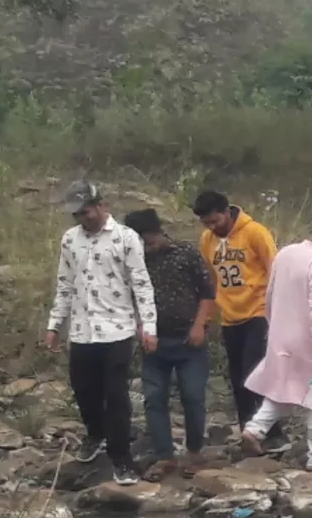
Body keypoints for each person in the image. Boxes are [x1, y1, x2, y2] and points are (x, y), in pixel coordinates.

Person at [43, 183, 155, 483]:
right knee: (84, 390)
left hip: (117, 329)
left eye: (87, 211)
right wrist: (55, 324)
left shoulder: (126, 238)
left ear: (102, 205)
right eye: (77, 214)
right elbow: (65, 284)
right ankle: (95, 434)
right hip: (82, 330)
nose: (83, 218)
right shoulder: (70, 240)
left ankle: (121, 458)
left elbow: (141, 285)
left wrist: (149, 327)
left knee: (116, 395)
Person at [241, 217, 312, 467]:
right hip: (310, 342)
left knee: (283, 388)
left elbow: (270, 294)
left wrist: (274, 327)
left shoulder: (286, 253)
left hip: (282, 336)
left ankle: (255, 428)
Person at [126, 209, 217, 467]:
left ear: (159, 231)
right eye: (141, 238)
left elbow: (208, 292)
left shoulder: (186, 253)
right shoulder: (134, 261)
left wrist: (200, 325)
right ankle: (164, 455)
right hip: (154, 342)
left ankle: (195, 450)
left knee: (193, 395)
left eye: (150, 235)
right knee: (154, 398)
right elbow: (129, 297)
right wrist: (141, 327)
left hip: (189, 340)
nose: (147, 242)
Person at [193, 189, 276, 436]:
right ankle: (247, 430)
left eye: (215, 221)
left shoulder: (255, 232)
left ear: (226, 212)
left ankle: (270, 432)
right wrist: (207, 317)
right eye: (206, 223)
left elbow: (275, 269)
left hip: (258, 311)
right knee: (238, 378)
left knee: (255, 373)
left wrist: (278, 311)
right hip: (230, 316)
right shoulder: (207, 240)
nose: (212, 227)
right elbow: (210, 279)